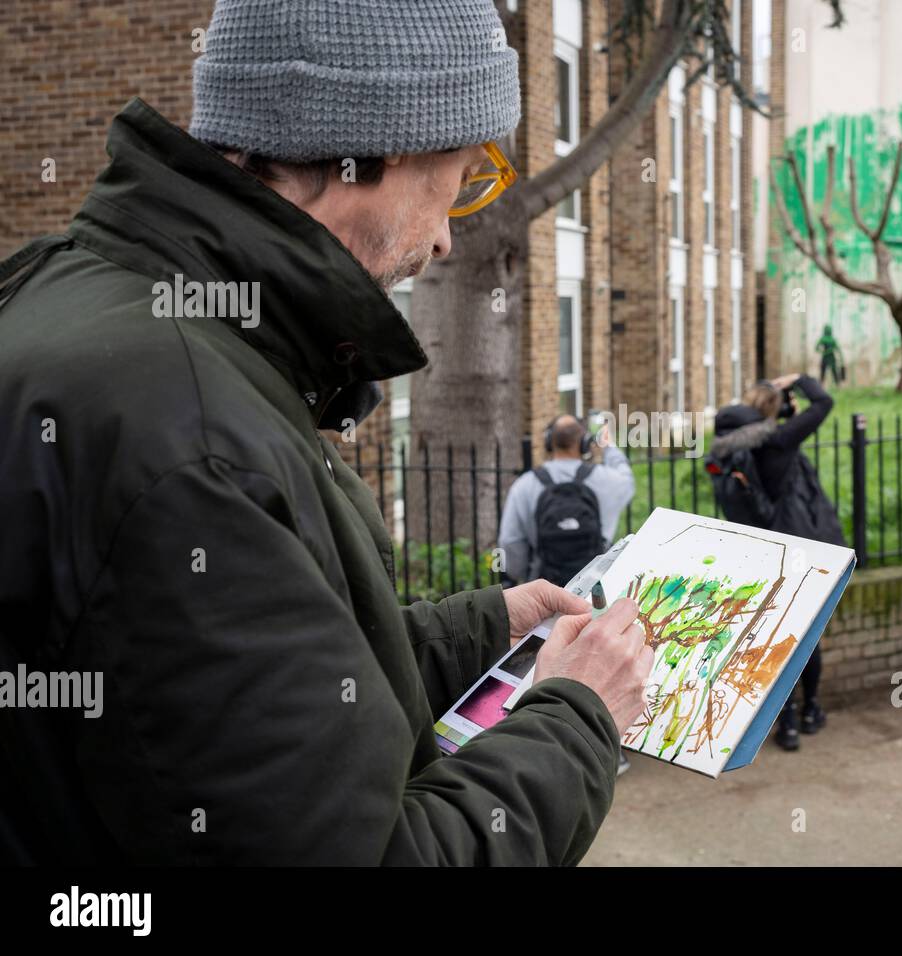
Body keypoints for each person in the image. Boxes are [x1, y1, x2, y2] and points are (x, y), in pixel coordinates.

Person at [0, 0, 654, 864]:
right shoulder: (195, 445)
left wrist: (478, 631)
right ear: (377, 149)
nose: (449, 239)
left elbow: (233, 709)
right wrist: (580, 714)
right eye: (467, 173)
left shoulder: (65, 298)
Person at [711, 372, 844, 751]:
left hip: (762, 551)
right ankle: (809, 710)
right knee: (807, 637)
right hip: (799, 550)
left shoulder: (732, 445)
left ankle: (783, 721)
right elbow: (824, 403)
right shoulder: (781, 441)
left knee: (777, 638)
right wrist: (800, 379)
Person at [498, 415, 634, 587]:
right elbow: (627, 478)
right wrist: (609, 446)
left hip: (544, 593)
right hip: (596, 590)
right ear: (585, 442)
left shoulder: (524, 485)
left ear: (548, 442)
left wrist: (523, 574)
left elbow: (509, 541)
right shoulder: (607, 480)